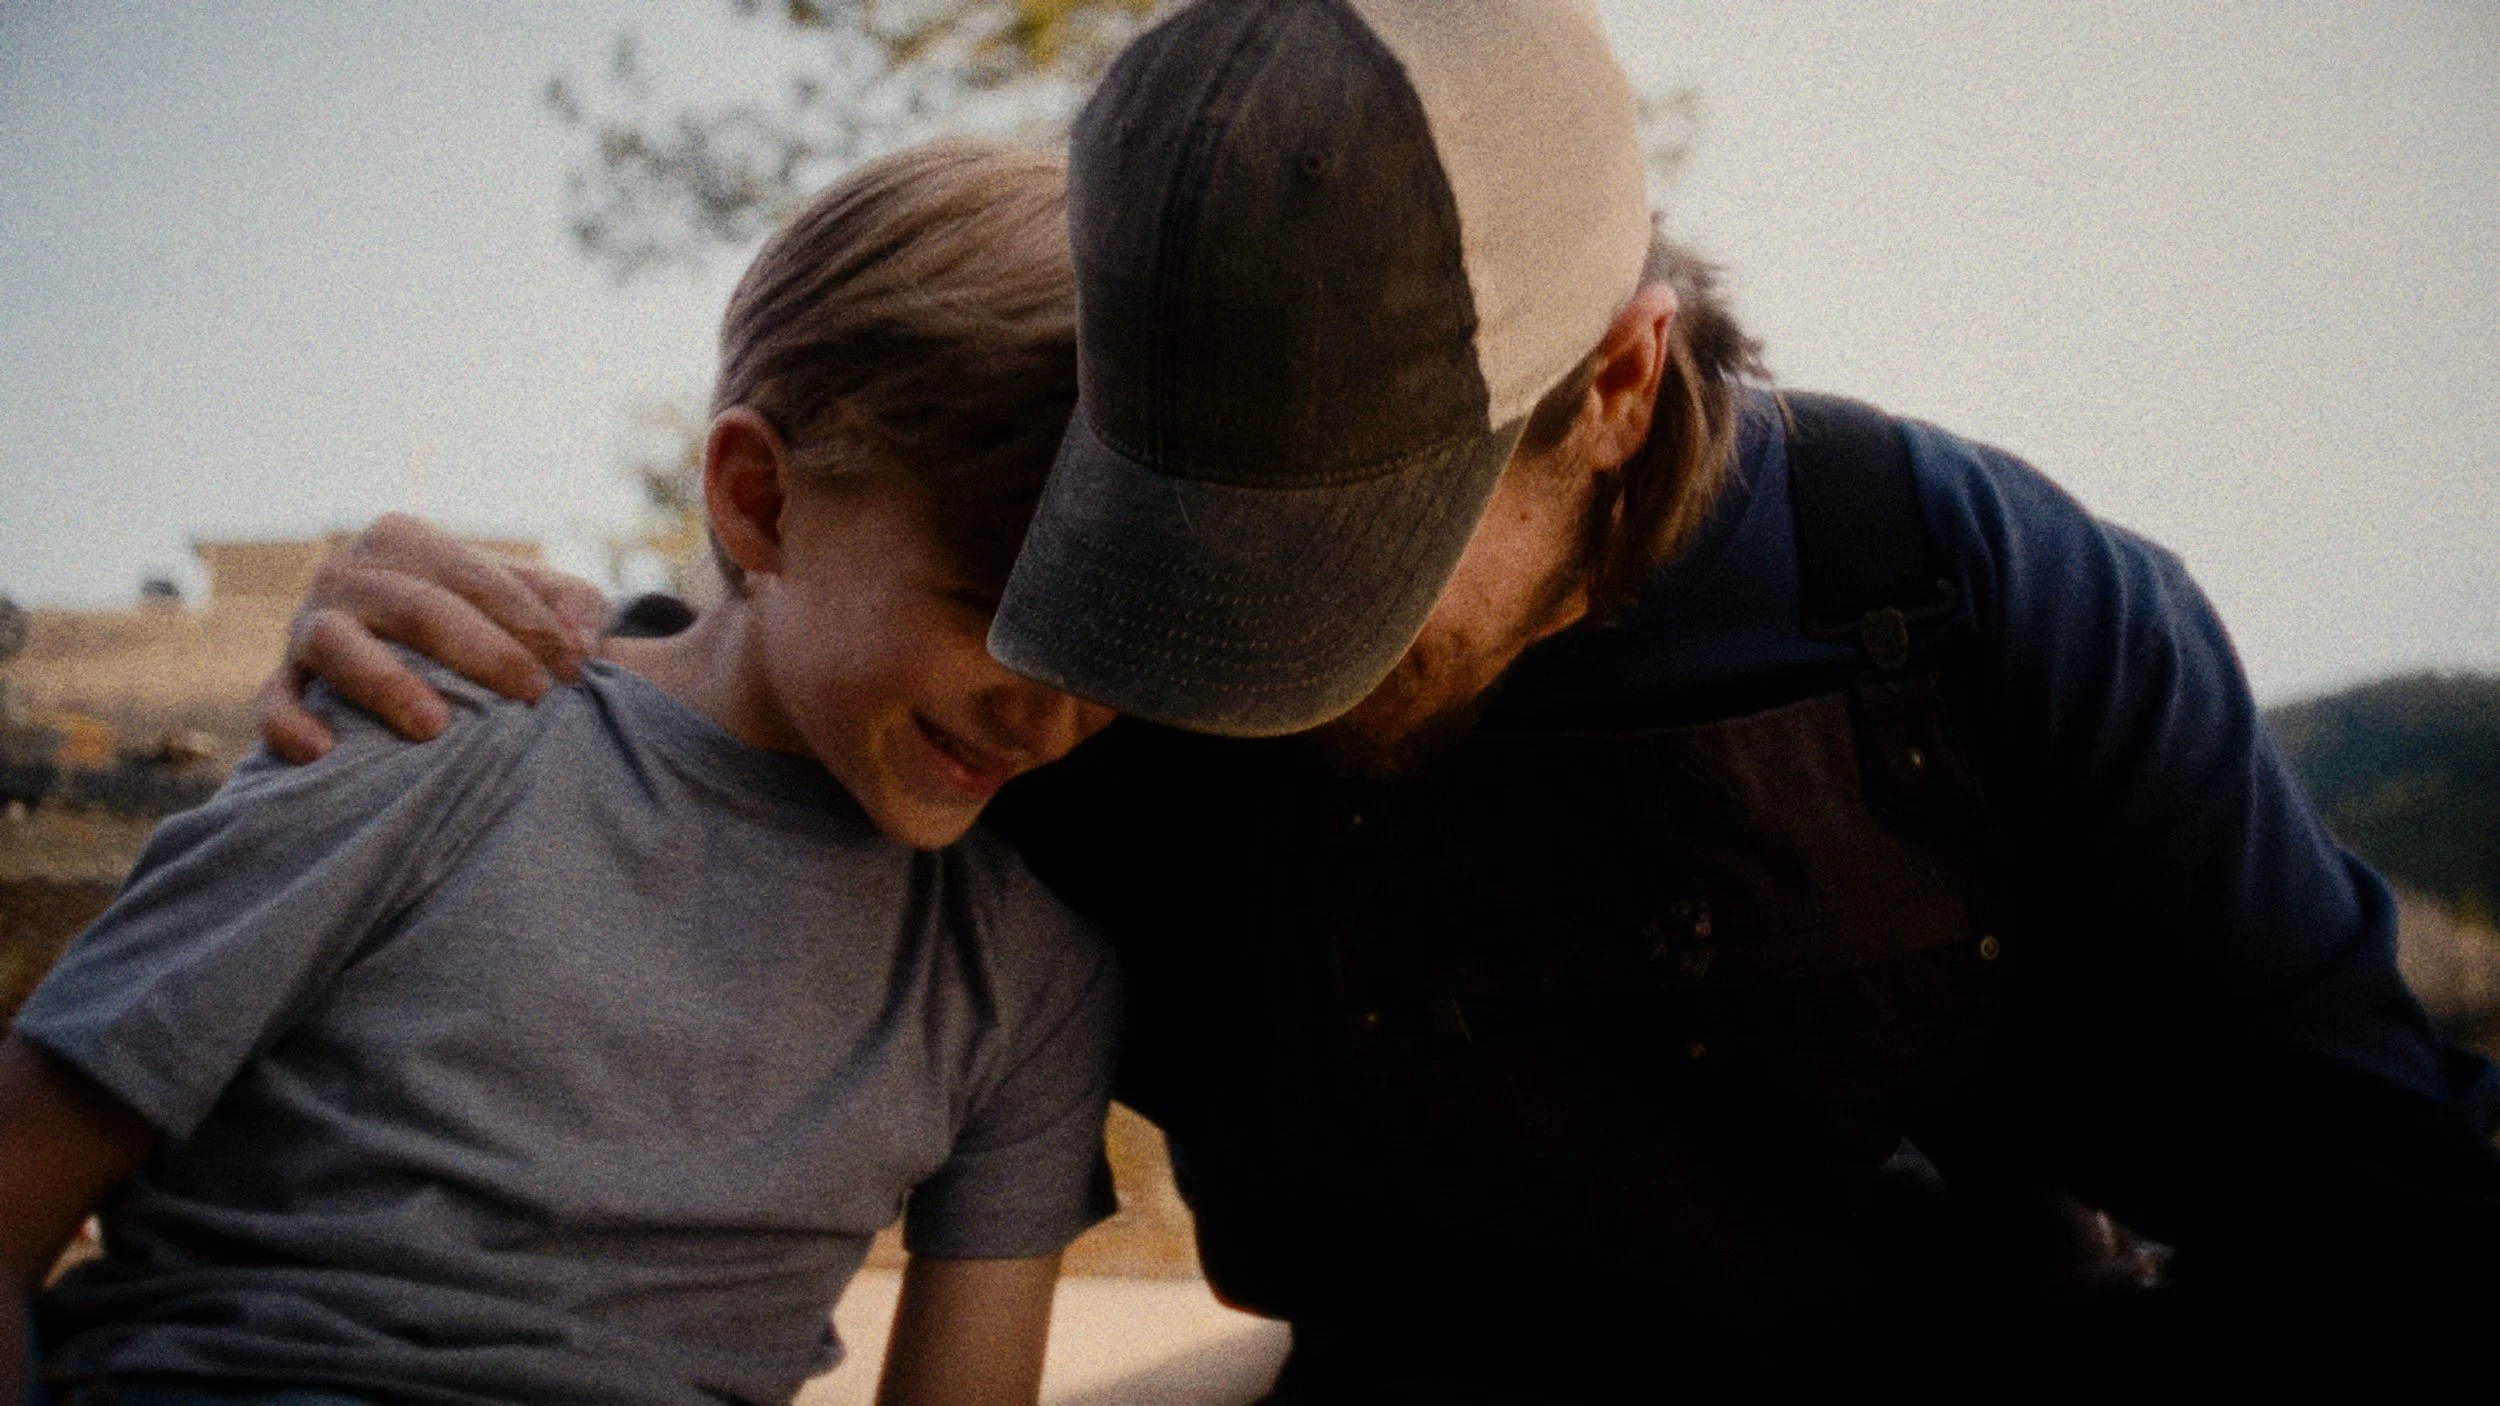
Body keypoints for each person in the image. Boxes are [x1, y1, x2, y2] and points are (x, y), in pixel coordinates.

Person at [259, 0, 2500, 1393]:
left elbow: (2368, 1237)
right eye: (1153, 540)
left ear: (1613, 382)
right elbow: (785, 662)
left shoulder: (1985, 600)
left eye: (1326, 561)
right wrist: (473, 638)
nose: (1191, 665)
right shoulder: (1053, 678)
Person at [0, 141, 1124, 1406]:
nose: (1053, 715)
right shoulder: (432, 729)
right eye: (1001, 613)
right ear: (759, 500)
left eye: (1119, 655)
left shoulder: (1026, 974)